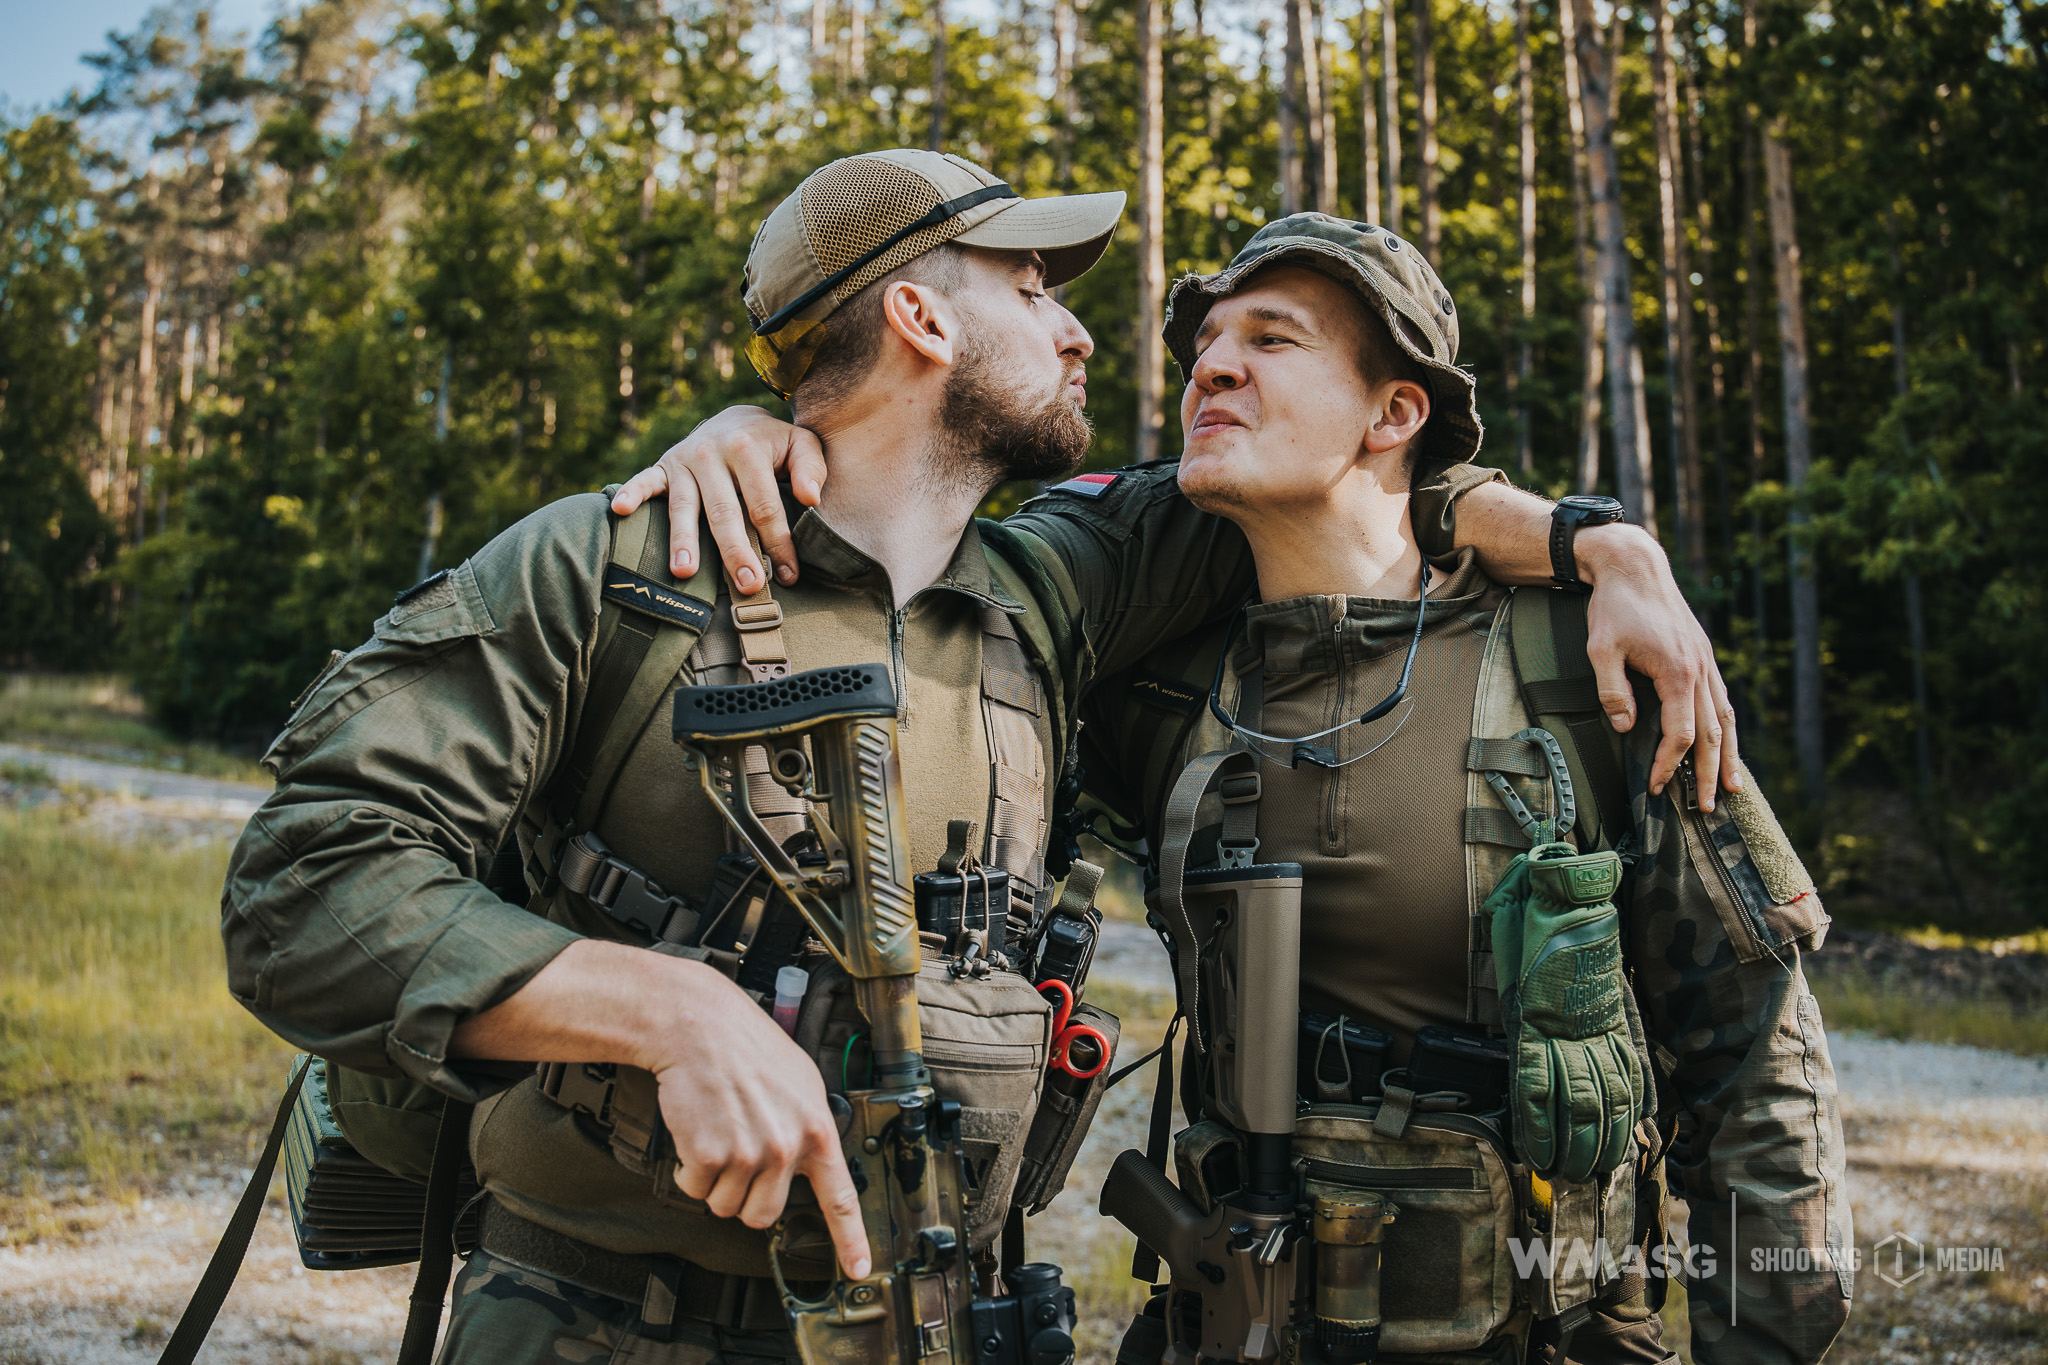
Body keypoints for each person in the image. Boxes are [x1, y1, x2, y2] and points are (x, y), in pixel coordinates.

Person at [220, 151, 1697, 1365]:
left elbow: (1364, 460)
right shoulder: (611, 568)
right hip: (601, 1327)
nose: (1080, 335)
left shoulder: (1054, 592)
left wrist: (1595, 541)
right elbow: (302, 884)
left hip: (951, 1324)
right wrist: (662, 1009)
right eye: (1036, 288)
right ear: (922, 322)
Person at [621, 218, 1848, 1363]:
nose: (1211, 367)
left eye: (1270, 341)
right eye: (1206, 344)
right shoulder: (1153, 688)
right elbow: (909, 590)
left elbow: (1752, 1066)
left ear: (1392, 411)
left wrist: (1765, 1339)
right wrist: (772, 434)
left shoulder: (1585, 667)